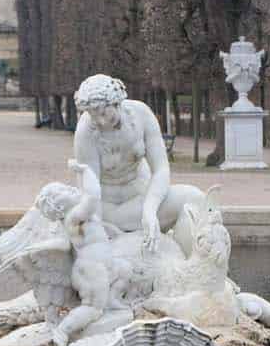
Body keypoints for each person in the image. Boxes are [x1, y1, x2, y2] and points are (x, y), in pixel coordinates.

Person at [72, 73, 205, 250]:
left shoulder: (141, 114)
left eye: (104, 113)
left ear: (116, 102)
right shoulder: (85, 131)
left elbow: (161, 169)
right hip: (108, 211)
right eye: (94, 117)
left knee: (195, 198)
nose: (101, 122)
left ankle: (187, 265)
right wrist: (98, 231)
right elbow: (90, 190)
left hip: (142, 202)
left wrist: (150, 210)